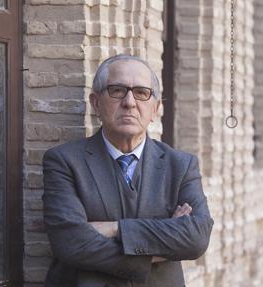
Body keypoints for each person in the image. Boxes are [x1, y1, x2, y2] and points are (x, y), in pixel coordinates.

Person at [42, 54, 214, 287]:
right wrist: (164, 242)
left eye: (142, 93)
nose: (130, 102)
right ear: (95, 103)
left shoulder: (181, 166)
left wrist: (113, 228)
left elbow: (196, 239)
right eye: (117, 90)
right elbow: (71, 243)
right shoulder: (63, 161)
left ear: (156, 109)